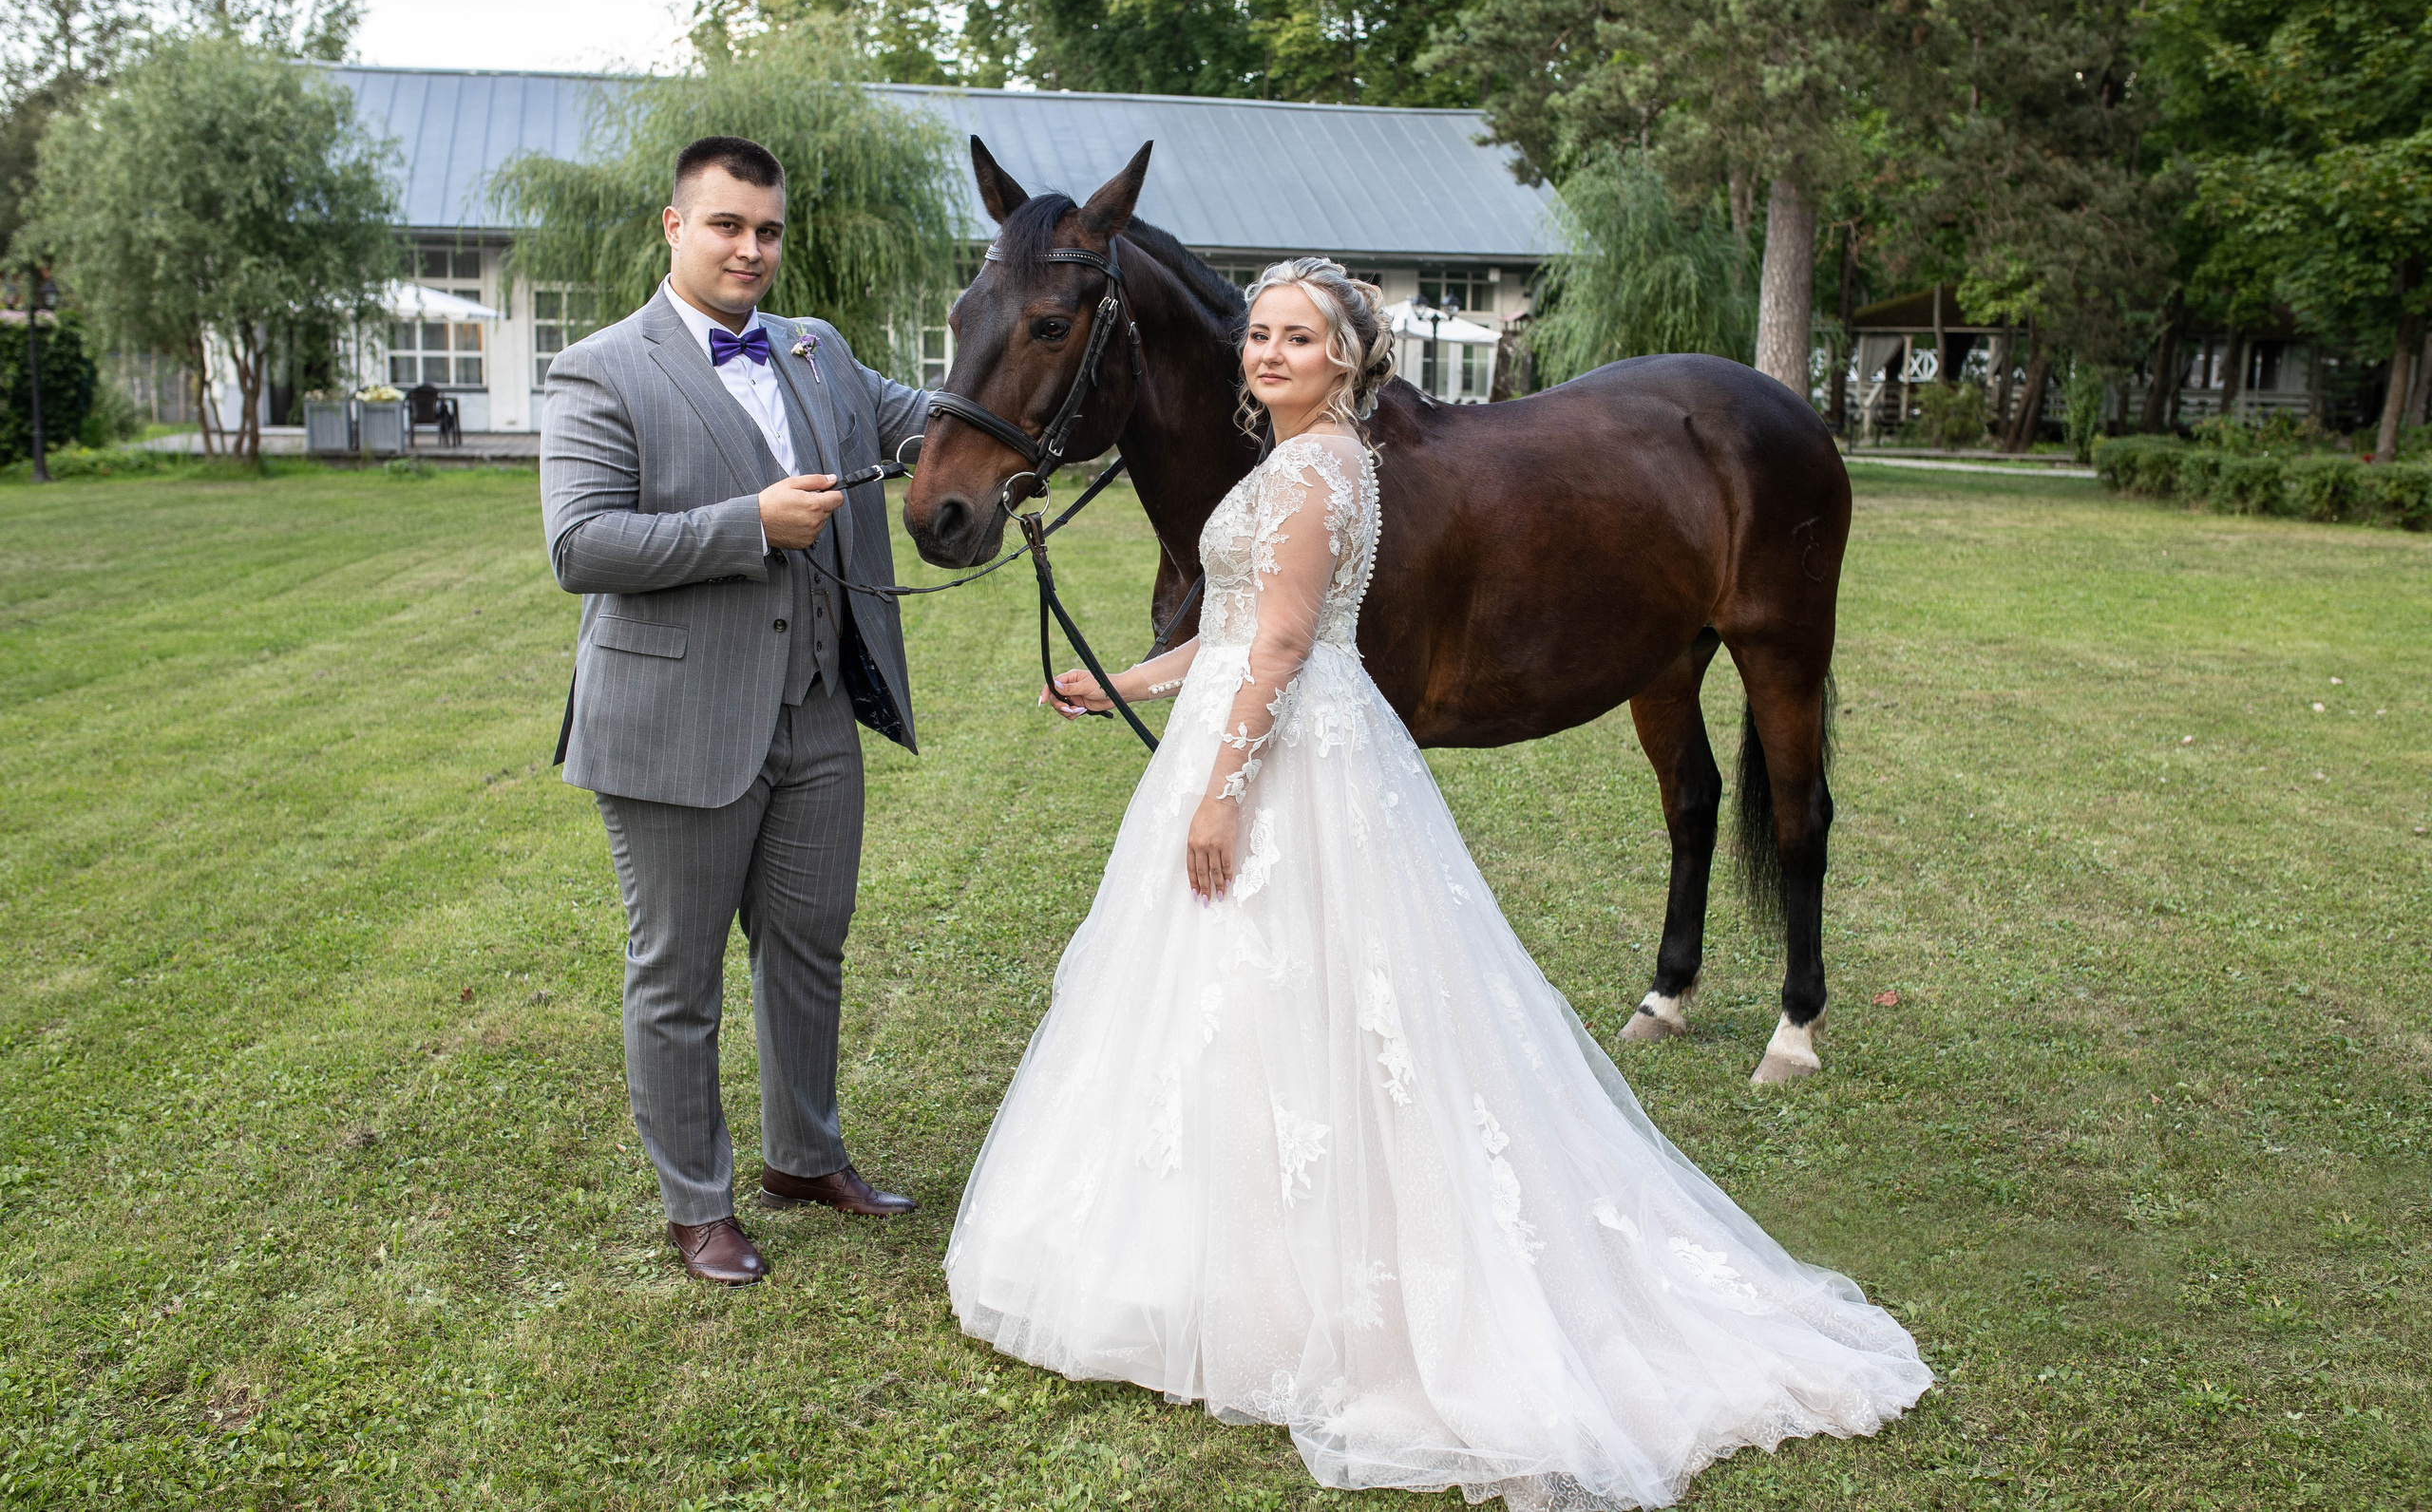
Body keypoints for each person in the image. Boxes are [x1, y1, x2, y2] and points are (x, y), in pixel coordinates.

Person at [945, 258, 1931, 1507]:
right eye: (1259, 334)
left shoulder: (1317, 470)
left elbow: (1289, 645)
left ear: (1345, 358)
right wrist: (1128, 682)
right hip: (1283, 732)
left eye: (1298, 338)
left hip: (1290, 753)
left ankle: (1305, 1266)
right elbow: (1242, 619)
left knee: (1299, 977)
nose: (1268, 353)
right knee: (1249, 987)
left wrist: (1216, 790)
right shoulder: (1300, 464)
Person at [541, 136, 927, 1288]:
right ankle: (695, 1202)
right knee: (678, 973)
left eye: (766, 230)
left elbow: (930, 425)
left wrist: (1046, 383)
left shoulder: (821, 351)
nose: (750, 248)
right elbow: (582, 544)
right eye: (726, 226)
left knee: (809, 949)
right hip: (674, 721)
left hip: (814, 711)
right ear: (674, 227)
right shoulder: (602, 369)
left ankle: (804, 1157)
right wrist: (750, 522)